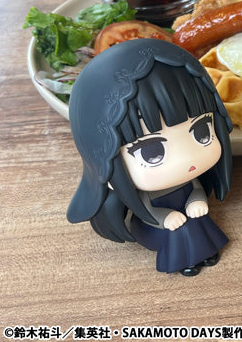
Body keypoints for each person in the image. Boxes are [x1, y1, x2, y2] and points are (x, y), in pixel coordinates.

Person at [67, 38, 232, 276]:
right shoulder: (146, 193)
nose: (185, 159)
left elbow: (195, 190)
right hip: (156, 228)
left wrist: (197, 200)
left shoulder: (189, 178)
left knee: (196, 222)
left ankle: (206, 252)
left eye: (202, 132)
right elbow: (149, 211)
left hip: (186, 216)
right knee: (181, 230)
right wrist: (166, 219)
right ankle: (186, 261)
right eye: (152, 152)